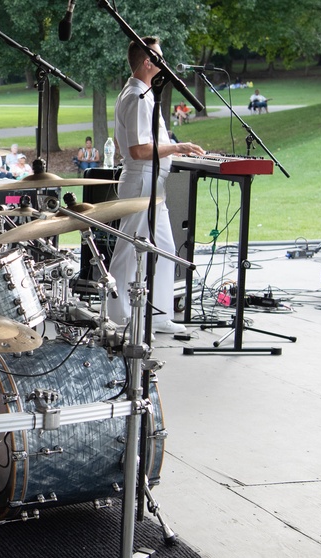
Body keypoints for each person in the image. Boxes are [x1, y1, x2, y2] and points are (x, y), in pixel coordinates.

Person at [107, 36, 204, 335]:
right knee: (129, 248)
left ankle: (159, 315)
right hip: (141, 180)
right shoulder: (136, 96)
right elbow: (137, 150)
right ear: (148, 62)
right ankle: (118, 317)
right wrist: (176, 148)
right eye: (159, 58)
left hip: (154, 182)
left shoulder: (146, 93)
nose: (164, 63)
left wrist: (174, 147)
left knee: (165, 248)